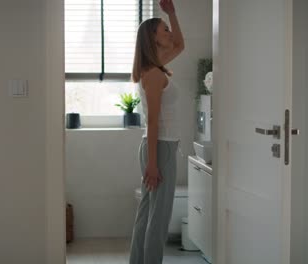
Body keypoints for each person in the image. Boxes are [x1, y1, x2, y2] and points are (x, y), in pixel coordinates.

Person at [129, 0, 184, 263]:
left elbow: (180, 45)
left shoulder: (154, 66)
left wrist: (171, 13)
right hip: (159, 148)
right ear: (152, 37)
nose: (169, 33)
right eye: (164, 29)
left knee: (148, 213)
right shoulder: (152, 73)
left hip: (159, 147)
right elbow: (152, 122)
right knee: (158, 216)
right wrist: (153, 164)